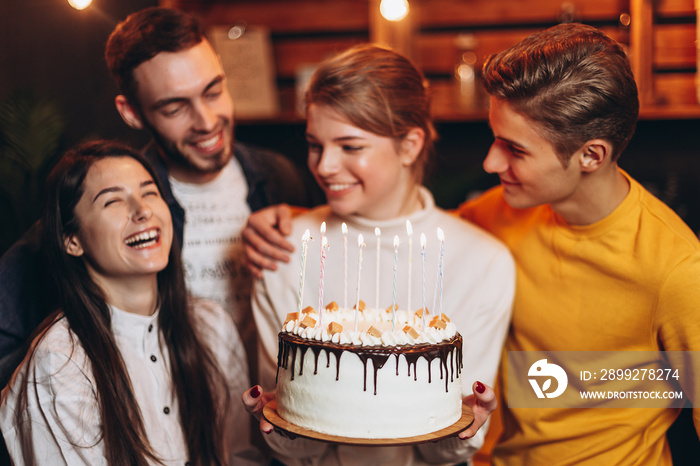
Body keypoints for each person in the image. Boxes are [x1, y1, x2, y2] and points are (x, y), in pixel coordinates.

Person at [242, 24, 700, 465]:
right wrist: (300, 220)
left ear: (591, 155)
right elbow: (401, 233)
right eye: (493, 138)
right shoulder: (496, 214)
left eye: (514, 149)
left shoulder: (677, 269)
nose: (488, 160)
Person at [0, 6, 315, 387]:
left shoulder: (278, 176)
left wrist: (307, 220)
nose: (206, 120)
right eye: (175, 107)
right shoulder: (112, 204)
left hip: (279, 418)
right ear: (131, 112)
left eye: (213, 91)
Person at [242, 44, 515, 466]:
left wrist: (465, 429)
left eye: (351, 147)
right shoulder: (283, 247)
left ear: (409, 146)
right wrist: (279, 424)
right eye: (315, 144)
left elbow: (445, 446)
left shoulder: (483, 262)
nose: (325, 166)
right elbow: (295, 436)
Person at [0, 140, 259, 465]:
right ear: (72, 240)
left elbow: (239, 455)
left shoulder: (211, 325)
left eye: (150, 192)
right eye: (113, 201)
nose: (143, 210)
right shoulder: (59, 364)